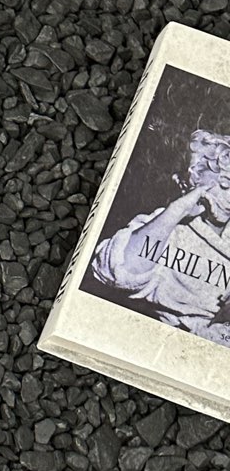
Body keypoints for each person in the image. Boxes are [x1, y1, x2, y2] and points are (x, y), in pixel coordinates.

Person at [90, 126, 230, 343]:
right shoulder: (166, 226)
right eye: (216, 183)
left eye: (228, 182)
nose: (226, 192)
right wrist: (176, 211)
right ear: (186, 185)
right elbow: (115, 271)